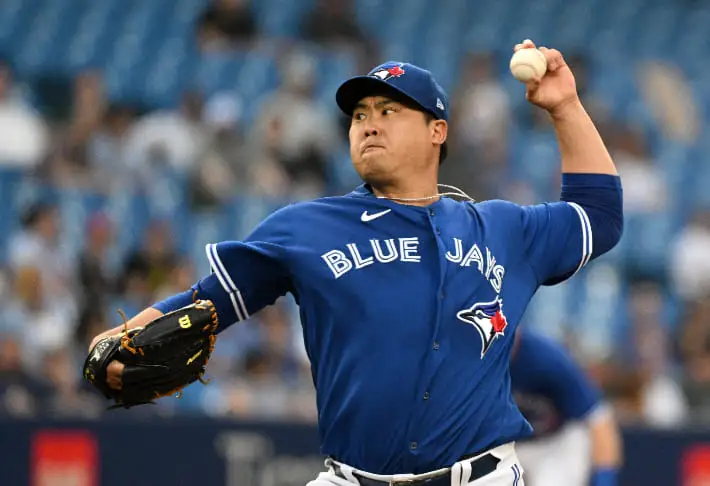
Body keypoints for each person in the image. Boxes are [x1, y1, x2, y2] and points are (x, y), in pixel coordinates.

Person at [88, 40, 623, 486]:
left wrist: (565, 107)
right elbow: (204, 304)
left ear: (436, 131)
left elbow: (599, 216)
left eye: (389, 112)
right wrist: (118, 338)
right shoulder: (306, 227)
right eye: (360, 115)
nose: (369, 124)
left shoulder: (502, 228)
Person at [511, 329, 623, 486]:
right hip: (509, 446)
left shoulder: (548, 358)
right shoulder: (478, 362)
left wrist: (605, 479)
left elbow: (599, 421)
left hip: (557, 444)